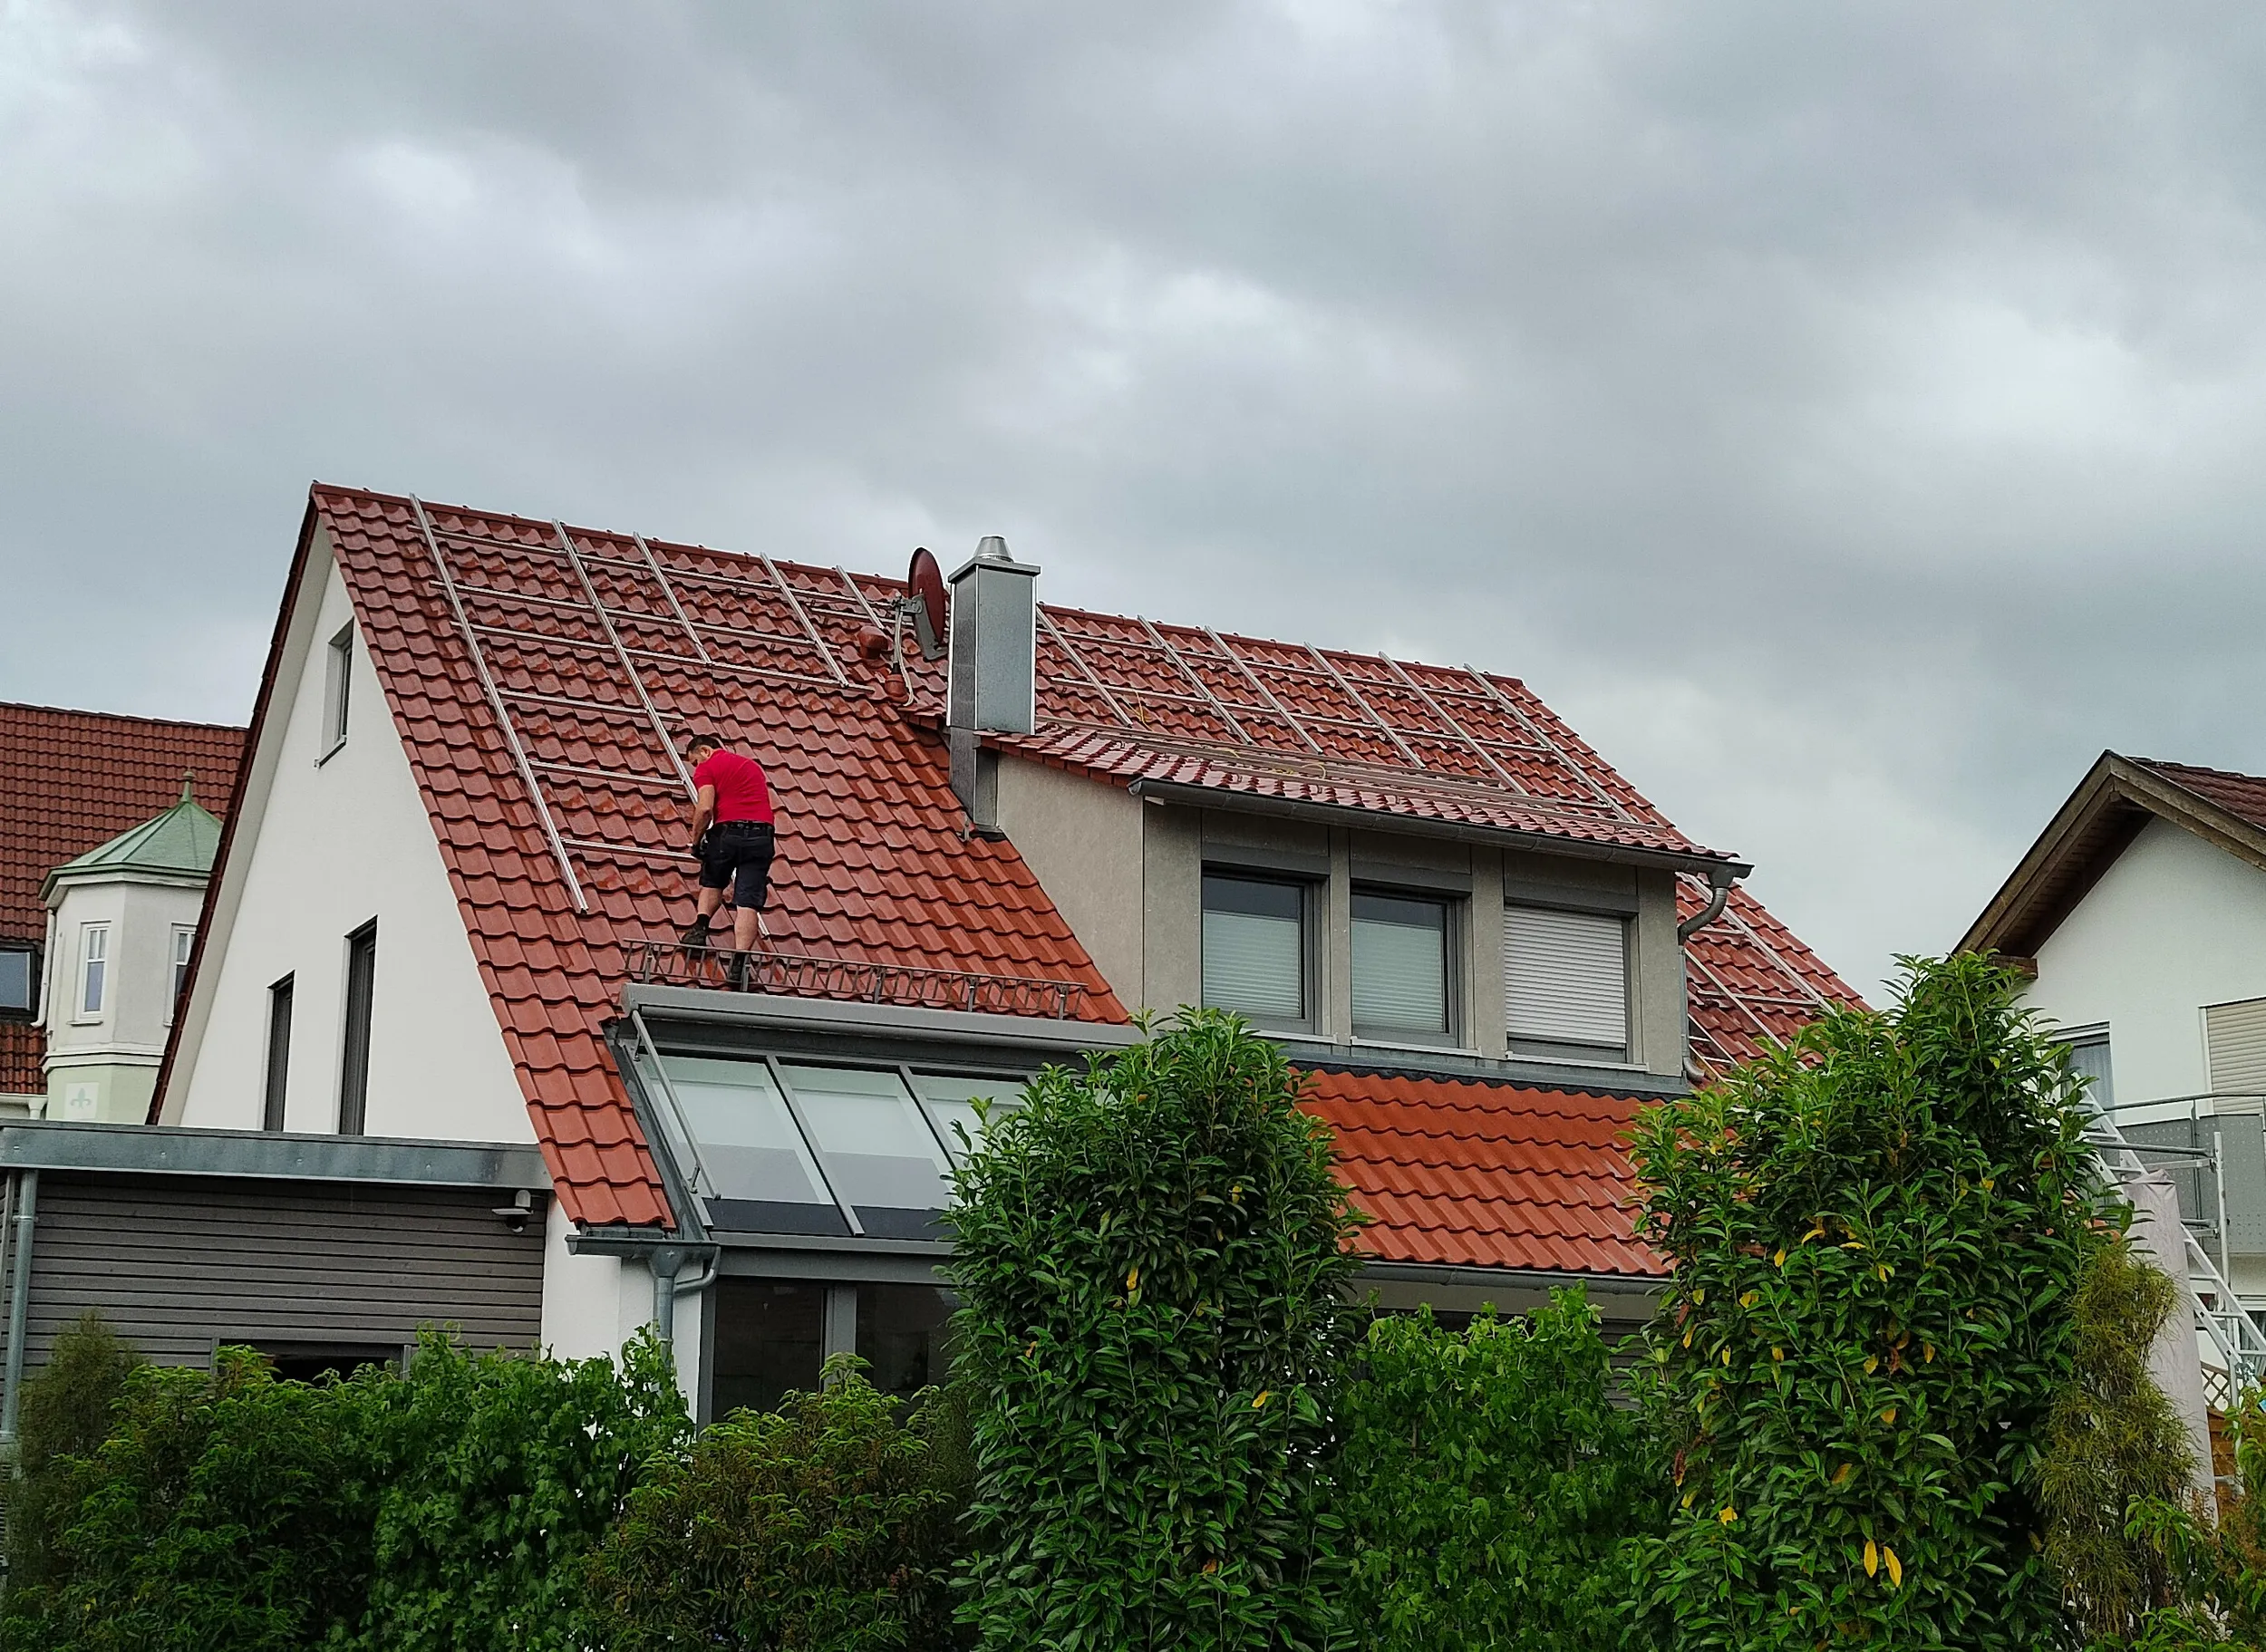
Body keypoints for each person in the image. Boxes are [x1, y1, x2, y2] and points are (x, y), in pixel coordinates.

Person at [679, 732, 776, 984]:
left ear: (705, 751)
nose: (696, 768)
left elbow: (705, 808)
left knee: (713, 881)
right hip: (762, 836)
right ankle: (740, 962)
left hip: (728, 832)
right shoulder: (751, 766)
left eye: (695, 761)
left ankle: (700, 930)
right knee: (748, 902)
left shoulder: (707, 767)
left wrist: (696, 841)